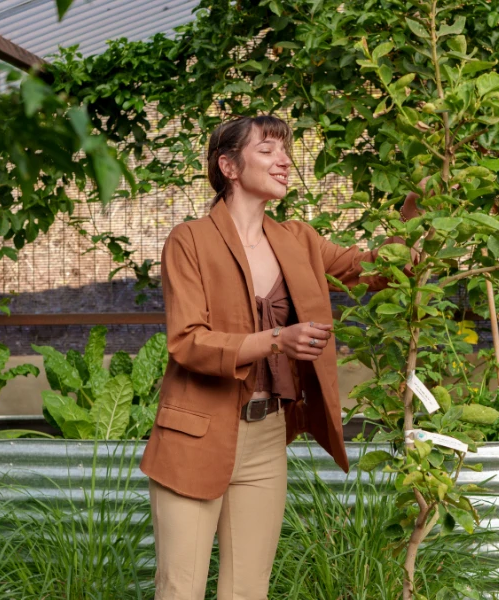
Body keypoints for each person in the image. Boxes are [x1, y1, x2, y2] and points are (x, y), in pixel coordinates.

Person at [140, 115, 417, 599]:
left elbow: (378, 271)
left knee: (248, 591)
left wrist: (427, 199)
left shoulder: (299, 239)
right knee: (179, 590)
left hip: (266, 436)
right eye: (268, 150)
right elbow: (187, 342)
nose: (285, 161)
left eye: (286, 151)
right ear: (228, 165)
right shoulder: (190, 240)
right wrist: (276, 341)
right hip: (195, 434)